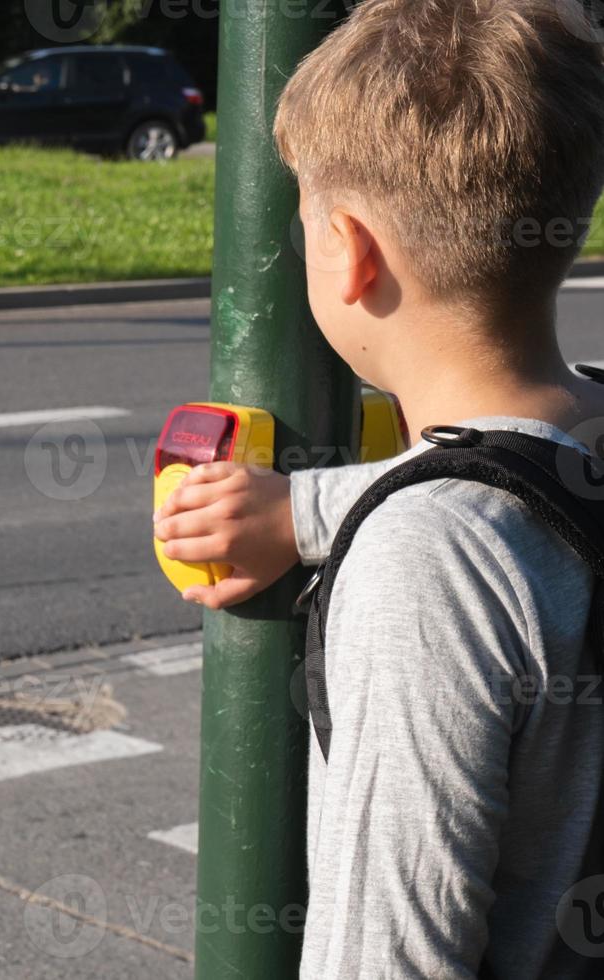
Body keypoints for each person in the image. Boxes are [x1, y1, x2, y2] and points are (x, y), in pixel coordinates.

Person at [153, 0, 604, 976]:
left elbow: (390, 952)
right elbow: (515, 470)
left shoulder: (424, 565)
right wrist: (305, 510)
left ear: (350, 250)